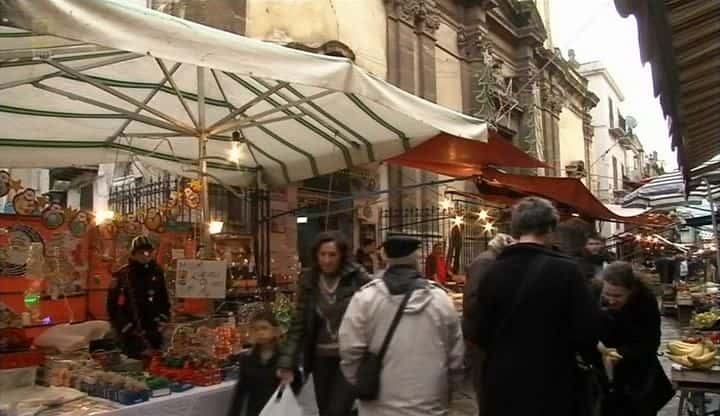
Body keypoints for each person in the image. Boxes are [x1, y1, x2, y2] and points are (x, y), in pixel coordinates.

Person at [465, 197, 601, 416]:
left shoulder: (493, 271)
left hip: (503, 383)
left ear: (517, 228)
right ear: (550, 228)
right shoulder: (567, 271)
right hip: (553, 381)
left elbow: (478, 331)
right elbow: (587, 330)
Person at [339, 234, 464, 416]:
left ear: (386, 258)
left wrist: (362, 382)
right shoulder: (440, 300)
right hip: (429, 405)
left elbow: (349, 350)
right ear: (416, 259)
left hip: (378, 406)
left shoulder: (365, 299)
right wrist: (446, 390)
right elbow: (456, 357)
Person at [277, 231, 370, 416]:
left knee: (338, 409)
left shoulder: (356, 277)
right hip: (320, 359)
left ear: (342, 255)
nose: (327, 260)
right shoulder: (309, 281)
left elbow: (375, 304)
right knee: (326, 410)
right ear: (316, 255)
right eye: (323, 254)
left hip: (349, 357)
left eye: (332, 255)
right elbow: (299, 324)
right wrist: (287, 362)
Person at [599, 262, 674, 416]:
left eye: (618, 296)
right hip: (605, 375)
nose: (611, 300)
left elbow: (651, 343)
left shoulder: (646, 301)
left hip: (638, 373)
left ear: (631, 290)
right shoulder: (595, 295)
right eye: (607, 294)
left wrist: (620, 353)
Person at [462, 233, 514, 414]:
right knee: (484, 386)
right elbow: (472, 301)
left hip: (486, 333)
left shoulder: (492, 261)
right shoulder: (486, 262)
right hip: (481, 335)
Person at [227, 311, 301, 416]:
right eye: (256, 329)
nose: (260, 332)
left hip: (279, 410)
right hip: (256, 411)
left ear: (275, 331)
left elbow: (297, 384)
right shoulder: (247, 359)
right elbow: (240, 392)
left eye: (264, 328)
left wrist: (291, 379)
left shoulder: (286, 358)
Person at [107, 236, 170, 359]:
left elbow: (163, 297)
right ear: (133, 254)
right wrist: (125, 327)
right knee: (134, 362)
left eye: (148, 252)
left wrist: (164, 317)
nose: (145, 256)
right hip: (131, 329)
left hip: (153, 328)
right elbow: (112, 305)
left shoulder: (157, 272)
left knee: (156, 362)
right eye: (141, 253)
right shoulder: (123, 275)